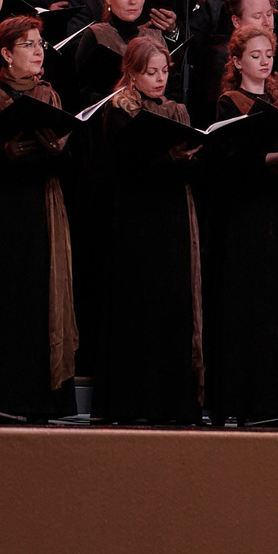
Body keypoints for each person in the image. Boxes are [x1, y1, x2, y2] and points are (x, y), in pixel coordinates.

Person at [0, 15, 78, 420]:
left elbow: (71, 167)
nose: (39, 51)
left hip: (41, 216)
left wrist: (60, 152)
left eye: (40, 43)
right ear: (5, 54)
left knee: (38, 307)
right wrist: (2, 155)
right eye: (28, 45)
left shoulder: (50, 97)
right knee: (1, 308)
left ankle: (39, 402)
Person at [78, 35, 204, 424]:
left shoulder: (176, 110)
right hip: (136, 220)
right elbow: (120, 167)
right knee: (138, 307)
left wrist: (186, 157)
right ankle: (133, 402)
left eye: (164, 71)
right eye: (151, 72)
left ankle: (171, 402)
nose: (159, 79)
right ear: (131, 73)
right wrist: (164, 157)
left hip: (173, 218)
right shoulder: (119, 109)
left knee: (171, 304)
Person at [202, 22, 278, 424]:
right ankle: (240, 401)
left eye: (269, 55)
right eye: (255, 55)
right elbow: (226, 164)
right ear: (236, 61)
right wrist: (272, 159)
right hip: (245, 216)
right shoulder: (229, 103)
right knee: (245, 304)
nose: (264, 62)